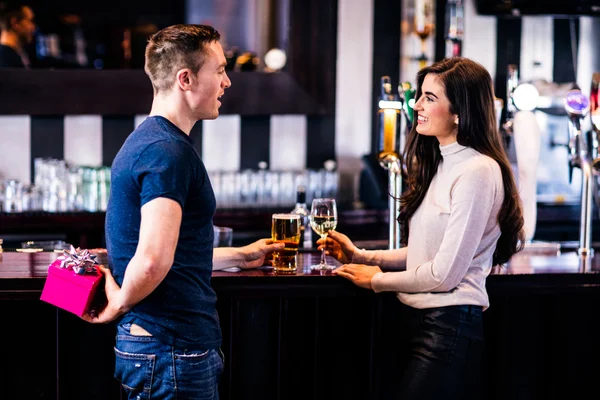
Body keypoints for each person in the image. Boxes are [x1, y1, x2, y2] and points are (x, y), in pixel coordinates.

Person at [83, 24, 284, 399]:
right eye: (220, 70)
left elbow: (169, 256)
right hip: (171, 348)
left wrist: (240, 256)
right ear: (186, 78)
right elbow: (153, 259)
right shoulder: (167, 152)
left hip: (162, 348)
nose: (227, 82)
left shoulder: (152, 140)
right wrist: (118, 304)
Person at [321, 57, 524, 399]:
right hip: (418, 321)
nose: (416, 105)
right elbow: (426, 253)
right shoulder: (442, 162)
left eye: (430, 98)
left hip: (449, 328)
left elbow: (445, 274)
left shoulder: (478, 170)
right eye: (420, 96)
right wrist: (363, 256)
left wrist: (377, 281)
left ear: (460, 111)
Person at [0, 2, 35, 68]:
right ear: (15, 23)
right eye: (29, 21)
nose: (33, 27)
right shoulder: (5, 60)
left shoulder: (15, 55)